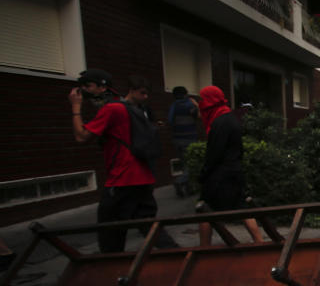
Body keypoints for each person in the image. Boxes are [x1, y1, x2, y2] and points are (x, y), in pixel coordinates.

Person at [69, 74, 178, 253]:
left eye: (88, 87)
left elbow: (82, 136)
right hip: (142, 176)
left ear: (102, 88)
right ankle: (177, 255)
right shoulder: (137, 110)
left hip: (122, 178)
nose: (145, 97)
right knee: (148, 225)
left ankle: (111, 267)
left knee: (110, 232)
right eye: (143, 93)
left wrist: (75, 107)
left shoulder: (113, 109)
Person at [195, 85, 263, 246]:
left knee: (205, 209)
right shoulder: (230, 118)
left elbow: (214, 152)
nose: (201, 104)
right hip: (234, 171)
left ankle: (204, 248)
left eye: (203, 100)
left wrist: (204, 174)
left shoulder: (219, 122)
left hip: (220, 175)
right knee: (241, 206)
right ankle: (259, 241)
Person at [167, 86, 199, 197]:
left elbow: (170, 121)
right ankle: (180, 181)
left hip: (177, 139)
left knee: (183, 163)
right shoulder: (190, 105)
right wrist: (196, 105)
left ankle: (189, 189)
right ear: (185, 94)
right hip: (189, 138)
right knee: (190, 165)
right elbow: (197, 116)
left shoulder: (174, 106)